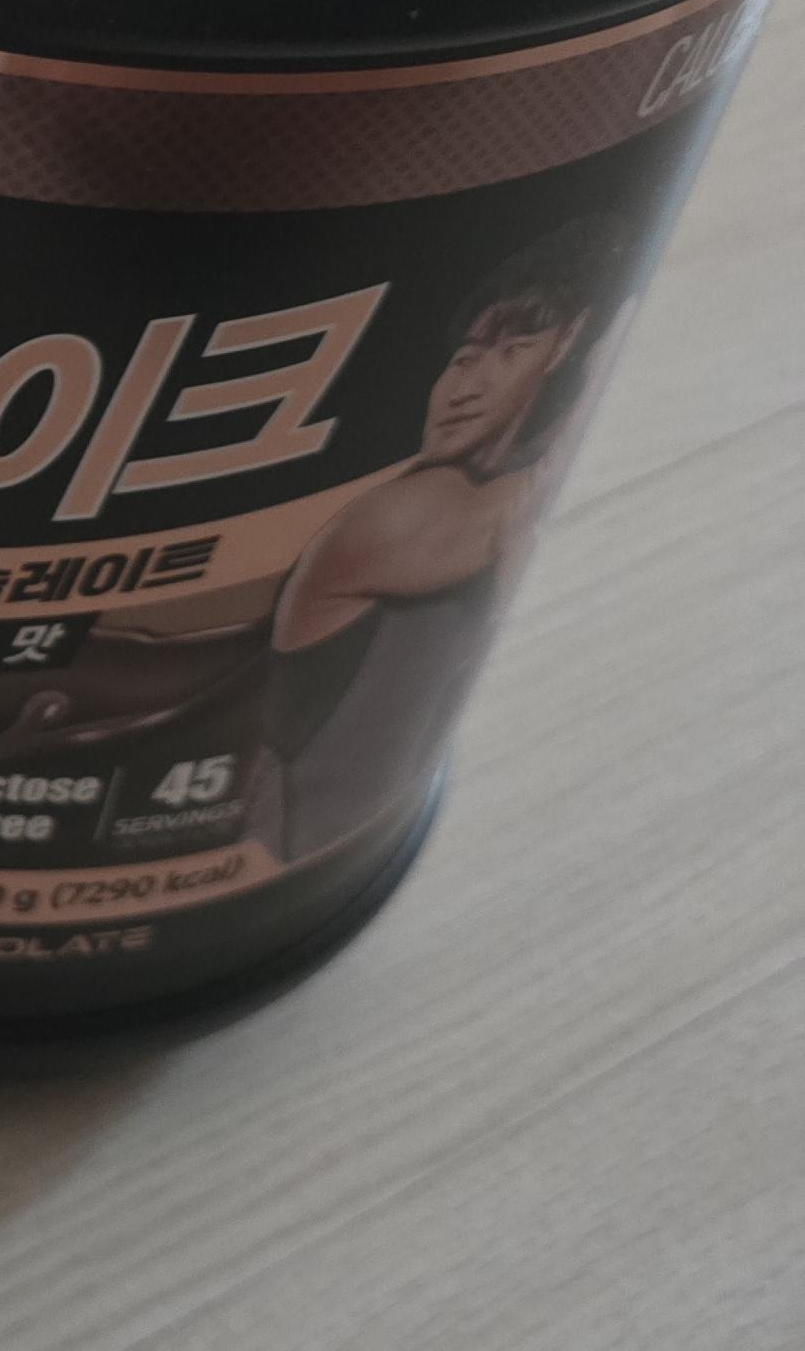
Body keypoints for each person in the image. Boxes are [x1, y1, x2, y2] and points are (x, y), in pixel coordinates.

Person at [259, 218, 621, 868]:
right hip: (288, 850)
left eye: (511, 352)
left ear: (563, 344)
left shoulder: (492, 491)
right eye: (463, 360)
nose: (465, 387)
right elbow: (509, 514)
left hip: (338, 840)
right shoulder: (399, 515)